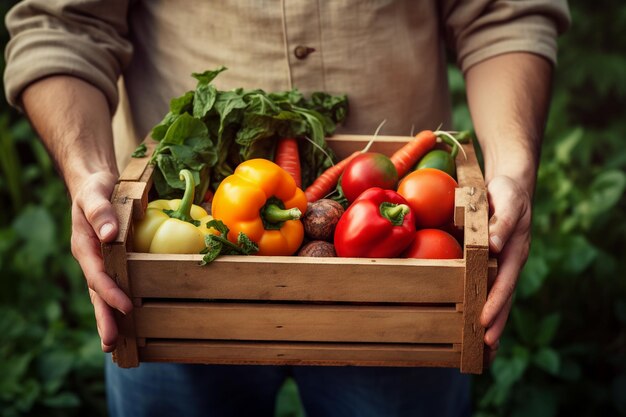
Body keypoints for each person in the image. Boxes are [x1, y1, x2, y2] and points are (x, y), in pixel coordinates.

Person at [4, 1, 570, 416]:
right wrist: (85, 171)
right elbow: (62, 25)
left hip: (405, 293)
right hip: (177, 293)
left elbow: (504, 13)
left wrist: (513, 167)